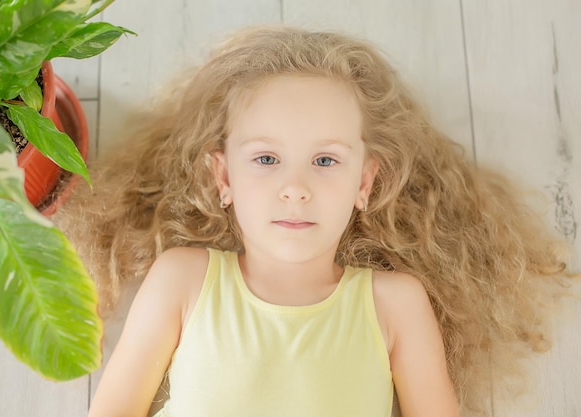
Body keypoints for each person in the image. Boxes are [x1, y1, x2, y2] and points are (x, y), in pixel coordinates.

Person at [55, 26, 575, 417]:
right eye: (265, 159)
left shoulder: (395, 302)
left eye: (325, 161)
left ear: (364, 184)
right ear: (224, 177)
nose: (296, 186)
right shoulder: (183, 278)